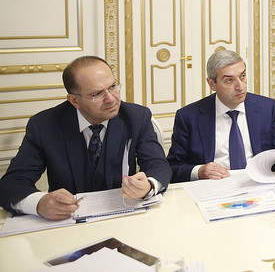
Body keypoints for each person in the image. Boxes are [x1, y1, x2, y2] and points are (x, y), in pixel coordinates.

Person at [0, 56, 171, 220]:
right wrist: (39, 203)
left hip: (124, 216)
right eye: (97, 94)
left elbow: (158, 165)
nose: (111, 98)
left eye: (112, 87)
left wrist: (148, 186)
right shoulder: (44, 125)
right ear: (74, 100)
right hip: (68, 223)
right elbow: (11, 184)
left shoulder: (136, 117)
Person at [167, 50, 275, 182]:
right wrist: (199, 171)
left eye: (242, 76)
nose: (240, 87)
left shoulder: (266, 108)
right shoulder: (188, 117)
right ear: (212, 84)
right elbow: (173, 167)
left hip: (257, 184)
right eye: (229, 80)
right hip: (214, 186)